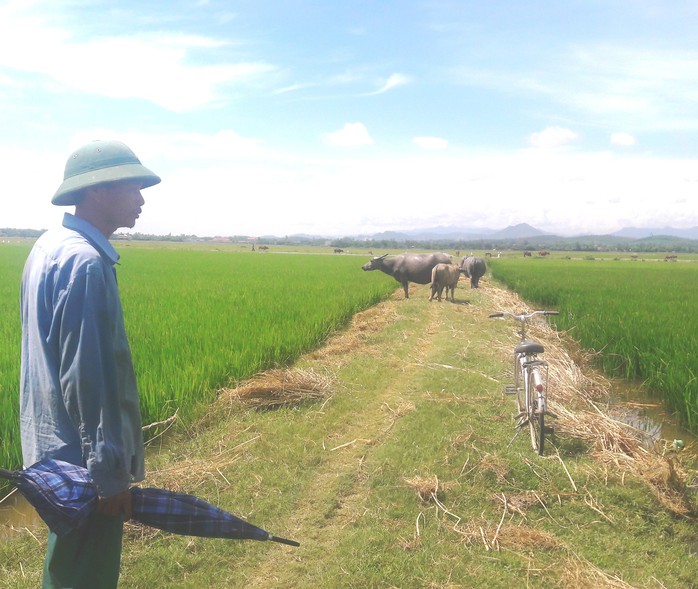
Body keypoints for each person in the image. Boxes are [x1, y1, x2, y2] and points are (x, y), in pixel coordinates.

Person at [20, 140, 161, 588]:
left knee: (65, 568)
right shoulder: (85, 263)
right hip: (83, 466)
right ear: (98, 190)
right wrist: (108, 476)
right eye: (134, 187)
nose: (142, 198)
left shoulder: (49, 247)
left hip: (51, 454)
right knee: (86, 576)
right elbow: (89, 379)